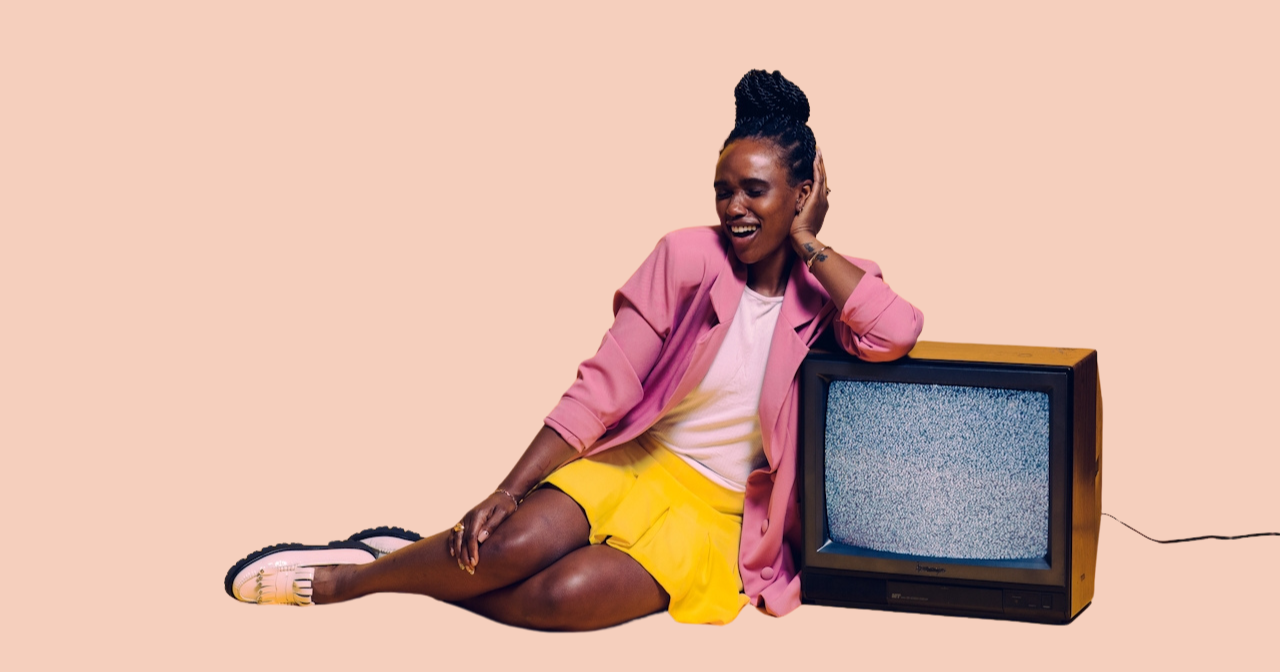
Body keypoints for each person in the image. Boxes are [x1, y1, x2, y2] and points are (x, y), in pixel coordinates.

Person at [224, 69, 924, 630]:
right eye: (722, 191)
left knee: (563, 598)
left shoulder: (832, 285)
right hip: (639, 461)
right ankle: (355, 578)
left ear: (802, 195)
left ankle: (408, 557)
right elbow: (604, 385)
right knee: (505, 549)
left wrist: (808, 242)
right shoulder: (686, 256)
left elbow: (896, 331)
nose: (734, 208)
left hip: (724, 515)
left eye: (755, 191)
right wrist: (509, 489)